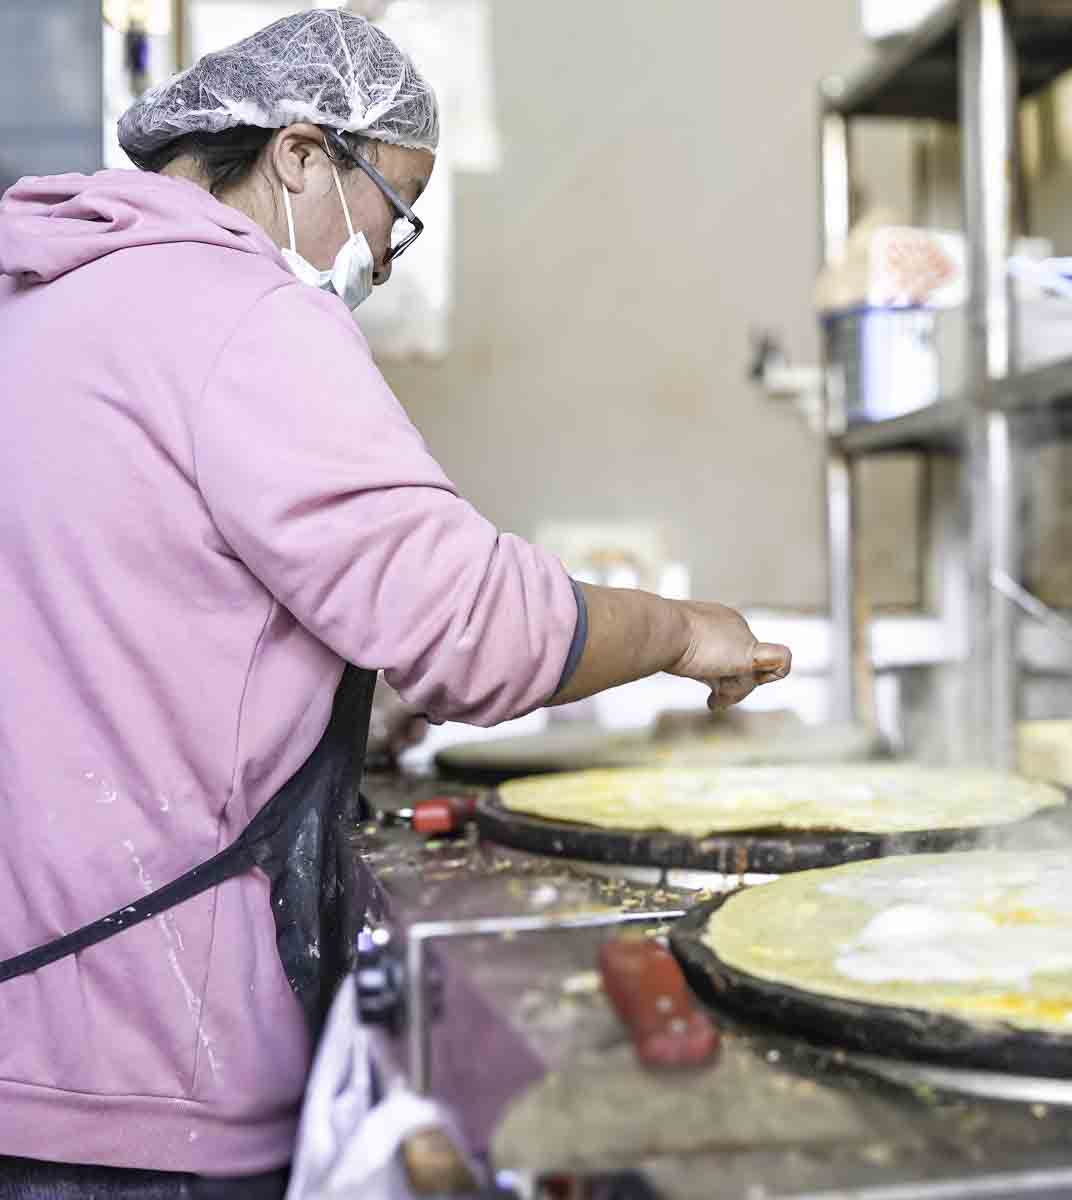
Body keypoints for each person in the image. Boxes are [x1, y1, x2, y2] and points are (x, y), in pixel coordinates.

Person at [0, 9, 790, 1196]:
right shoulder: (244, 315)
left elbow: (110, 644)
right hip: (149, 1059)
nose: (386, 253)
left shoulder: (51, 303)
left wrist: (324, 711)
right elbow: (467, 625)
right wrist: (681, 629)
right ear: (302, 156)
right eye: (394, 207)